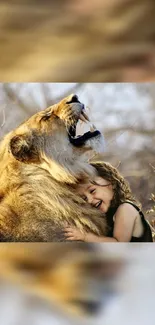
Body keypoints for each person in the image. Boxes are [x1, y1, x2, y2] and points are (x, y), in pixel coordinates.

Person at [64, 161, 153, 242]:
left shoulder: (125, 209)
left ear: (112, 184)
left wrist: (85, 237)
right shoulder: (109, 216)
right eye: (84, 198)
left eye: (92, 191)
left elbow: (119, 245)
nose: (90, 200)